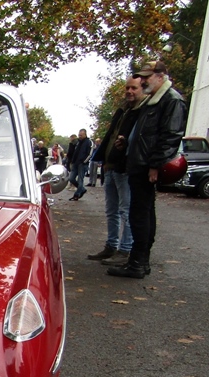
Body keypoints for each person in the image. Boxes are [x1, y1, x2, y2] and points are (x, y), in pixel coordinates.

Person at [108, 60, 186, 278]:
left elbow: (170, 136)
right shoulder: (154, 100)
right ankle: (139, 262)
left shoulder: (171, 100)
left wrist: (154, 165)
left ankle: (137, 264)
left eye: (146, 77)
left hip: (145, 166)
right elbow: (147, 134)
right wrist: (127, 143)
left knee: (141, 214)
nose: (142, 81)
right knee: (141, 213)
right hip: (139, 163)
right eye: (141, 77)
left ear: (160, 76)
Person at [87, 77, 146, 264]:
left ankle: (124, 250)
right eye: (127, 88)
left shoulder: (142, 113)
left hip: (125, 168)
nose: (129, 91)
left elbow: (140, 141)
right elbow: (110, 137)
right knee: (111, 210)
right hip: (111, 167)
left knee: (126, 211)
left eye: (133, 88)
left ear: (142, 89)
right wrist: (105, 160)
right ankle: (111, 246)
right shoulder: (123, 111)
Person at [68, 129, 93, 201]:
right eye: (79, 135)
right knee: (71, 178)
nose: (80, 136)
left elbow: (90, 153)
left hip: (82, 164)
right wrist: (72, 161)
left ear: (85, 134)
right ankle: (82, 189)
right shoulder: (78, 142)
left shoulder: (89, 142)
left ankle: (77, 194)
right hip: (75, 163)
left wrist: (84, 161)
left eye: (81, 135)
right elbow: (74, 152)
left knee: (80, 179)